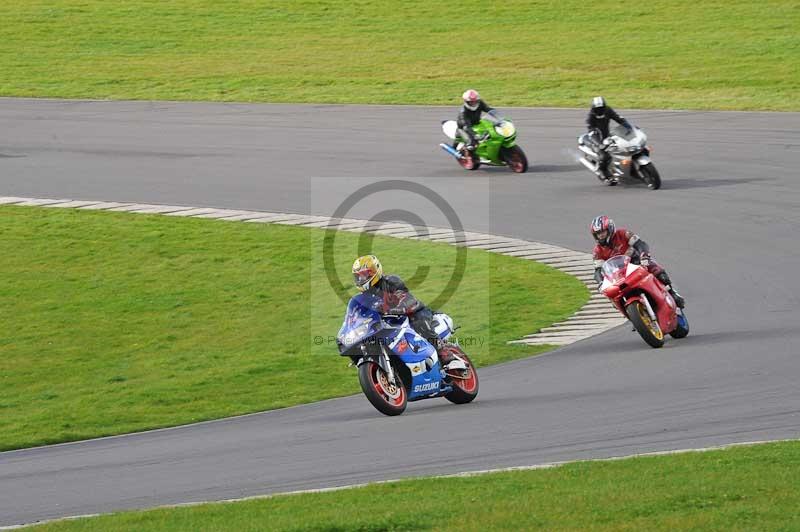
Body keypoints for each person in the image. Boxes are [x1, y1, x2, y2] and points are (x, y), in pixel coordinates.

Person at [352, 255, 457, 364]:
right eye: (358, 276)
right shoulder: (364, 297)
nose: (361, 279)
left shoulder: (390, 281)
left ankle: (442, 350)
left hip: (413, 312)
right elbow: (358, 313)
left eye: (364, 275)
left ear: (375, 271)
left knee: (418, 320)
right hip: (391, 321)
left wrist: (398, 308)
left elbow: (405, 297)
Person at [589, 216, 685, 308]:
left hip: (636, 262)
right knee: (613, 297)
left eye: (603, 232)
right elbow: (598, 270)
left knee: (655, 268)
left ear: (609, 229)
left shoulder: (623, 234)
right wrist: (600, 282)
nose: (601, 235)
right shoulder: (597, 251)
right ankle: (629, 314)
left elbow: (640, 244)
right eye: (598, 234)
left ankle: (672, 293)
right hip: (618, 275)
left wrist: (644, 255)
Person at [586, 96, 632, 179]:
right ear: (593, 108)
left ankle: (627, 167)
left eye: (601, 108)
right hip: (596, 139)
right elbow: (591, 131)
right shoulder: (590, 117)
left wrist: (628, 126)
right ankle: (602, 172)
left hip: (607, 135)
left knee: (625, 146)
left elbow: (618, 118)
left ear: (604, 107)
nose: (599, 110)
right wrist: (599, 144)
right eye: (597, 109)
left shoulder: (608, 110)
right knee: (604, 156)